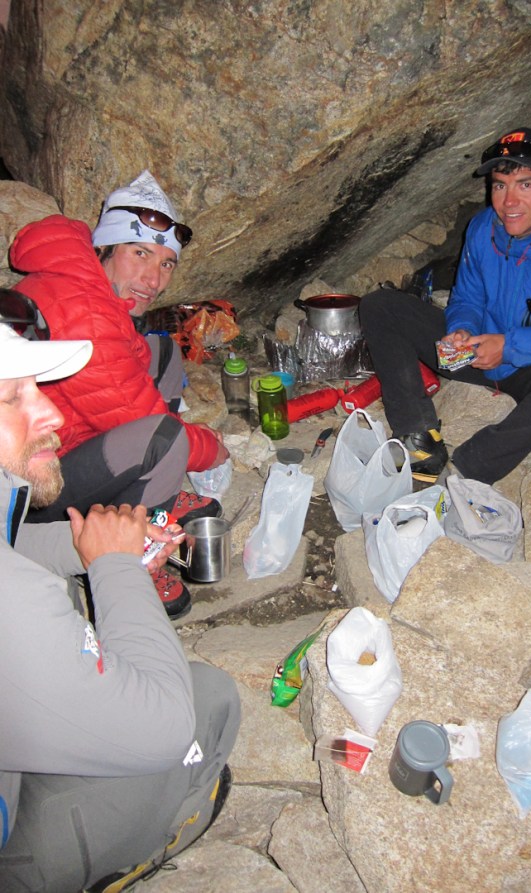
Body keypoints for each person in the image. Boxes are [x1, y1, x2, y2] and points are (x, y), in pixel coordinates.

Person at [0, 319, 241, 893]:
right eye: (12, 397)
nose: (51, 416)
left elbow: (14, 544)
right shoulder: (12, 600)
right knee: (207, 703)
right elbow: (162, 725)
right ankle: (119, 860)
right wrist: (115, 570)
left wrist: (93, 546)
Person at [360, 127, 531, 484]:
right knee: (381, 305)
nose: (509, 202)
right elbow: (468, 297)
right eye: (499, 185)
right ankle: (418, 436)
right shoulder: (482, 229)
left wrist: (510, 347)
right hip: (478, 352)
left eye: (525, 184)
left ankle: (470, 468)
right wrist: (462, 329)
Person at [9, 171, 230, 617]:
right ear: (104, 249)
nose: (153, 278)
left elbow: (121, 378)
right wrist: (215, 450)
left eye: (166, 263)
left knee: (160, 350)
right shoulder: (82, 310)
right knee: (166, 439)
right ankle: (137, 554)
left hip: (65, 440)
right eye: (140, 254)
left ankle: (150, 491)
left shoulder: (78, 280)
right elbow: (138, 418)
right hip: (32, 490)